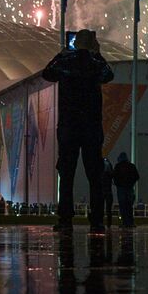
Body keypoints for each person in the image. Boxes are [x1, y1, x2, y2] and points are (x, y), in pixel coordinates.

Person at [41, 29, 114, 232]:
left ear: (75, 43)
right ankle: (97, 219)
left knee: (66, 174)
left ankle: (65, 219)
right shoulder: (96, 63)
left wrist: (61, 54)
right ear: (92, 43)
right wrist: (98, 54)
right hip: (91, 126)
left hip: (69, 126)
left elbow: (47, 74)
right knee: (95, 175)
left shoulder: (65, 61)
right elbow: (109, 75)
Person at [112, 152, 139, 227]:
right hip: (129, 188)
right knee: (129, 206)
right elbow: (137, 176)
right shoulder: (131, 166)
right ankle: (130, 222)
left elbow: (114, 176)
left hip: (121, 189)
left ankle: (124, 222)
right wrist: (131, 182)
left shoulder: (118, 166)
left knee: (123, 206)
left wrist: (118, 183)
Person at [100, 158, 116, 227]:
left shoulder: (101, 174)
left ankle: (99, 222)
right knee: (108, 209)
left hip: (102, 191)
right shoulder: (110, 174)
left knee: (100, 207)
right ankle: (109, 223)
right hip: (108, 192)